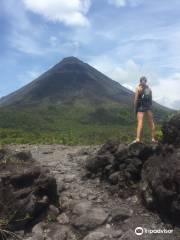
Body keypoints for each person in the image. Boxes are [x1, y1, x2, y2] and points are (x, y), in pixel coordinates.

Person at [132, 76, 157, 143]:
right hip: (148, 107)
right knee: (151, 122)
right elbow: (150, 100)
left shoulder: (138, 88)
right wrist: (150, 107)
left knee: (140, 122)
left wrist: (135, 108)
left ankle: (137, 139)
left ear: (140, 81)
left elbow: (136, 99)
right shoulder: (149, 89)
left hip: (141, 107)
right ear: (146, 81)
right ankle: (153, 138)